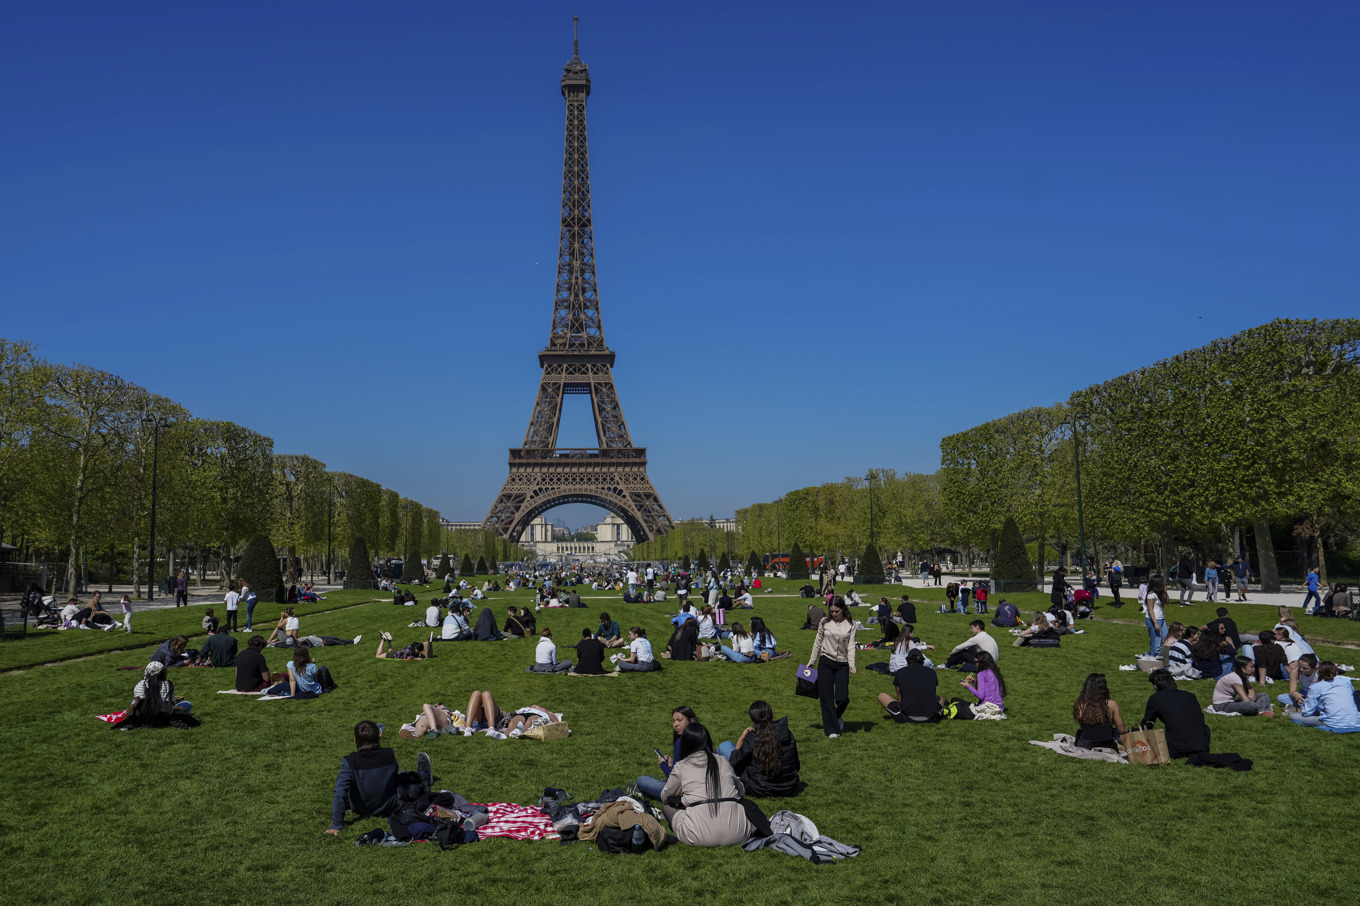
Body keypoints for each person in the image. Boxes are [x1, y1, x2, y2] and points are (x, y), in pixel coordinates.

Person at [325, 720, 431, 835]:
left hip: (360, 807)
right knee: (406, 778)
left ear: (355, 740)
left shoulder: (349, 761)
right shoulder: (389, 754)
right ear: (379, 736)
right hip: (388, 806)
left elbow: (340, 791)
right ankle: (424, 774)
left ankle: (422, 774)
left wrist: (336, 825)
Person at [659, 722, 755, 847]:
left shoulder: (682, 765)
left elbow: (665, 796)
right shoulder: (722, 760)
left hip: (698, 835)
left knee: (667, 806)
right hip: (739, 832)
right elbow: (740, 790)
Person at [716, 700, 800, 797]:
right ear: (771, 714)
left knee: (725, 745)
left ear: (752, 720)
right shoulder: (787, 734)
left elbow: (733, 764)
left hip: (758, 788)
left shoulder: (752, 738)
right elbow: (796, 765)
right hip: (788, 787)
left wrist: (739, 742)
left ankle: (718, 781)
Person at [807, 596, 856, 738]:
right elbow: (818, 642)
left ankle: (836, 716)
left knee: (842, 698)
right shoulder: (825, 622)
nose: (834, 614)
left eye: (837, 611)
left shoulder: (851, 624)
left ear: (843, 609)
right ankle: (832, 730)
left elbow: (851, 646)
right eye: (832, 611)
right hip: (825, 661)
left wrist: (852, 663)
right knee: (826, 697)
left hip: (842, 664)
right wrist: (812, 660)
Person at [1141, 668, 1212, 758]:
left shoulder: (1156, 698)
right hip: (1202, 745)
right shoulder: (1190, 696)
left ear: (1155, 686)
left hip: (1177, 748)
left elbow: (1147, 724)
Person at [634, 706, 697, 799]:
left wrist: (663, 764)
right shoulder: (703, 738)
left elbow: (673, 780)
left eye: (679, 720)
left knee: (641, 780)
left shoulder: (681, 742)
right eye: (673, 721)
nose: (675, 724)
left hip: (684, 793)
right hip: (700, 787)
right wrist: (673, 763)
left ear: (691, 721)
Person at [117, 661, 198, 729]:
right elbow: (170, 707)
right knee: (187, 704)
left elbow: (138, 706)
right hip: (163, 718)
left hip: (145, 718)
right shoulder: (167, 685)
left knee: (134, 701)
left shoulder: (140, 684)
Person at [1290, 662, 1360, 730]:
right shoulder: (1346, 682)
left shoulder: (1316, 687)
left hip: (1333, 723)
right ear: (1336, 672)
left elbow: (1308, 712)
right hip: (1356, 721)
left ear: (1318, 673)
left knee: (1293, 716)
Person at [878, 649, 943, 723]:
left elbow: (899, 699)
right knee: (940, 698)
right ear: (922, 660)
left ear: (908, 660)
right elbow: (932, 694)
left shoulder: (900, 672)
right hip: (931, 717)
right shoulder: (932, 673)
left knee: (881, 696)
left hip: (907, 717)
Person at [1072, 674, 1125, 749]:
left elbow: (1082, 726)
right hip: (1107, 744)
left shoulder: (1080, 705)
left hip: (1086, 744)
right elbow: (1121, 729)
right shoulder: (1112, 704)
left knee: (1079, 732)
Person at [948, 650, 1005, 719]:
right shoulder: (995, 672)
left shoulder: (981, 674)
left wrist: (968, 686)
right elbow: (988, 689)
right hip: (998, 707)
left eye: (976, 662)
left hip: (986, 707)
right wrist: (974, 682)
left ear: (982, 662)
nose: (975, 664)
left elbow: (981, 696)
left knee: (955, 700)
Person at [1142, 576, 1169, 659]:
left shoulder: (1159, 593)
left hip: (1161, 619)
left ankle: (1160, 656)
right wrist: (1156, 623)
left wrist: (1165, 592)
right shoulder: (1151, 595)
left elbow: (1167, 602)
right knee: (1156, 642)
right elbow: (1150, 609)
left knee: (1166, 640)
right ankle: (1153, 658)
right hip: (1153, 620)